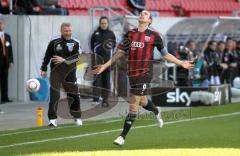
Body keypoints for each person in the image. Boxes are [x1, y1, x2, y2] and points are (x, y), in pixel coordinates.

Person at [93, 10, 193, 146]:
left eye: (145, 14)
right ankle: (156, 110)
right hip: (132, 73)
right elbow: (120, 52)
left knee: (133, 102)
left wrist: (181, 63)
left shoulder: (154, 36)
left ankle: (122, 136)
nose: (142, 15)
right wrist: (105, 65)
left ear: (150, 20)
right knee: (143, 101)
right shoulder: (130, 34)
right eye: (141, 13)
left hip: (145, 73)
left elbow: (165, 54)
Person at [40, 22, 82, 127]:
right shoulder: (54, 42)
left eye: (69, 31)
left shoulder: (76, 42)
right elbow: (47, 56)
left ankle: (76, 117)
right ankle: (52, 119)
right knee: (55, 95)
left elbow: (78, 57)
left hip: (70, 73)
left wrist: (63, 60)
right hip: (56, 73)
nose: (68, 33)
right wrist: (43, 68)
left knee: (73, 95)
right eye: (66, 31)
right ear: (61, 31)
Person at [90, 16, 116, 107]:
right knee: (97, 80)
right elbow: (92, 46)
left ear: (107, 24)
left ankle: (105, 99)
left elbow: (113, 46)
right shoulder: (95, 34)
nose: (104, 25)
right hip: (97, 61)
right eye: (102, 23)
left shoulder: (111, 34)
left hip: (107, 61)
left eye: (105, 23)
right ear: (100, 24)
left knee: (106, 80)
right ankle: (95, 99)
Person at [0, 19, 13, 104]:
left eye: (1, 24)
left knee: (5, 79)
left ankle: (5, 97)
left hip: (6, 61)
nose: (1, 25)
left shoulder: (7, 36)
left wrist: (11, 60)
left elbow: (10, 49)